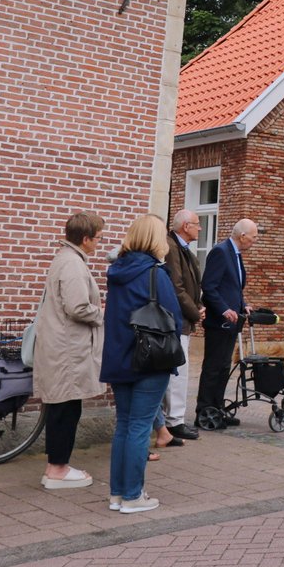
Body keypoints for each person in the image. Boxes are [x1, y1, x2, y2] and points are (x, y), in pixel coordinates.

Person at [100, 214, 183, 514]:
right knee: (139, 427)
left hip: (118, 358)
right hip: (149, 359)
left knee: (124, 425)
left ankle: (118, 494)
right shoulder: (155, 274)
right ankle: (134, 496)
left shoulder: (116, 272)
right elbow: (173, 316)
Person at [33, 211, 106, 490]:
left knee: (63, 407)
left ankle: (57, 466)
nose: (99, 243)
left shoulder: (64, 258)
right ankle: (58, 470)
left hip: (61, 346)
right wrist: (100, 313)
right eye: (97, 238)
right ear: (85, 238)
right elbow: (77, 307)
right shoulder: (73, 264)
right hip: (67, 350)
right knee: (66, 408)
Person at [196, 218, 258, 429]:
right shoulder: (220, 252)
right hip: (219, 322)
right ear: (242, 236)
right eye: (253, 236)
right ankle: (203, 411)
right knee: (213, 367)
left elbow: (234, 288)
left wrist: (244, 305)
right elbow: (209, 287)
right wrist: (224, 309)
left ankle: (218, 409)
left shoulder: (236, 254)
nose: (254, 240)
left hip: (233, 322)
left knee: (223, 367)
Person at [162, 209, 204, 442]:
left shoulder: (181, 248)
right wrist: (195, 311)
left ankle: (174, 419)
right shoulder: (172, 248)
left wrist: (198, 304)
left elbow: (189, 283)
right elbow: (176, 286)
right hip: (177, 319)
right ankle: (174, 420)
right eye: (197, 224)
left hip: (183, 317)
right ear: (185, 226)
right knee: (179, 371)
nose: (200, 228)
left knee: (181, 370)